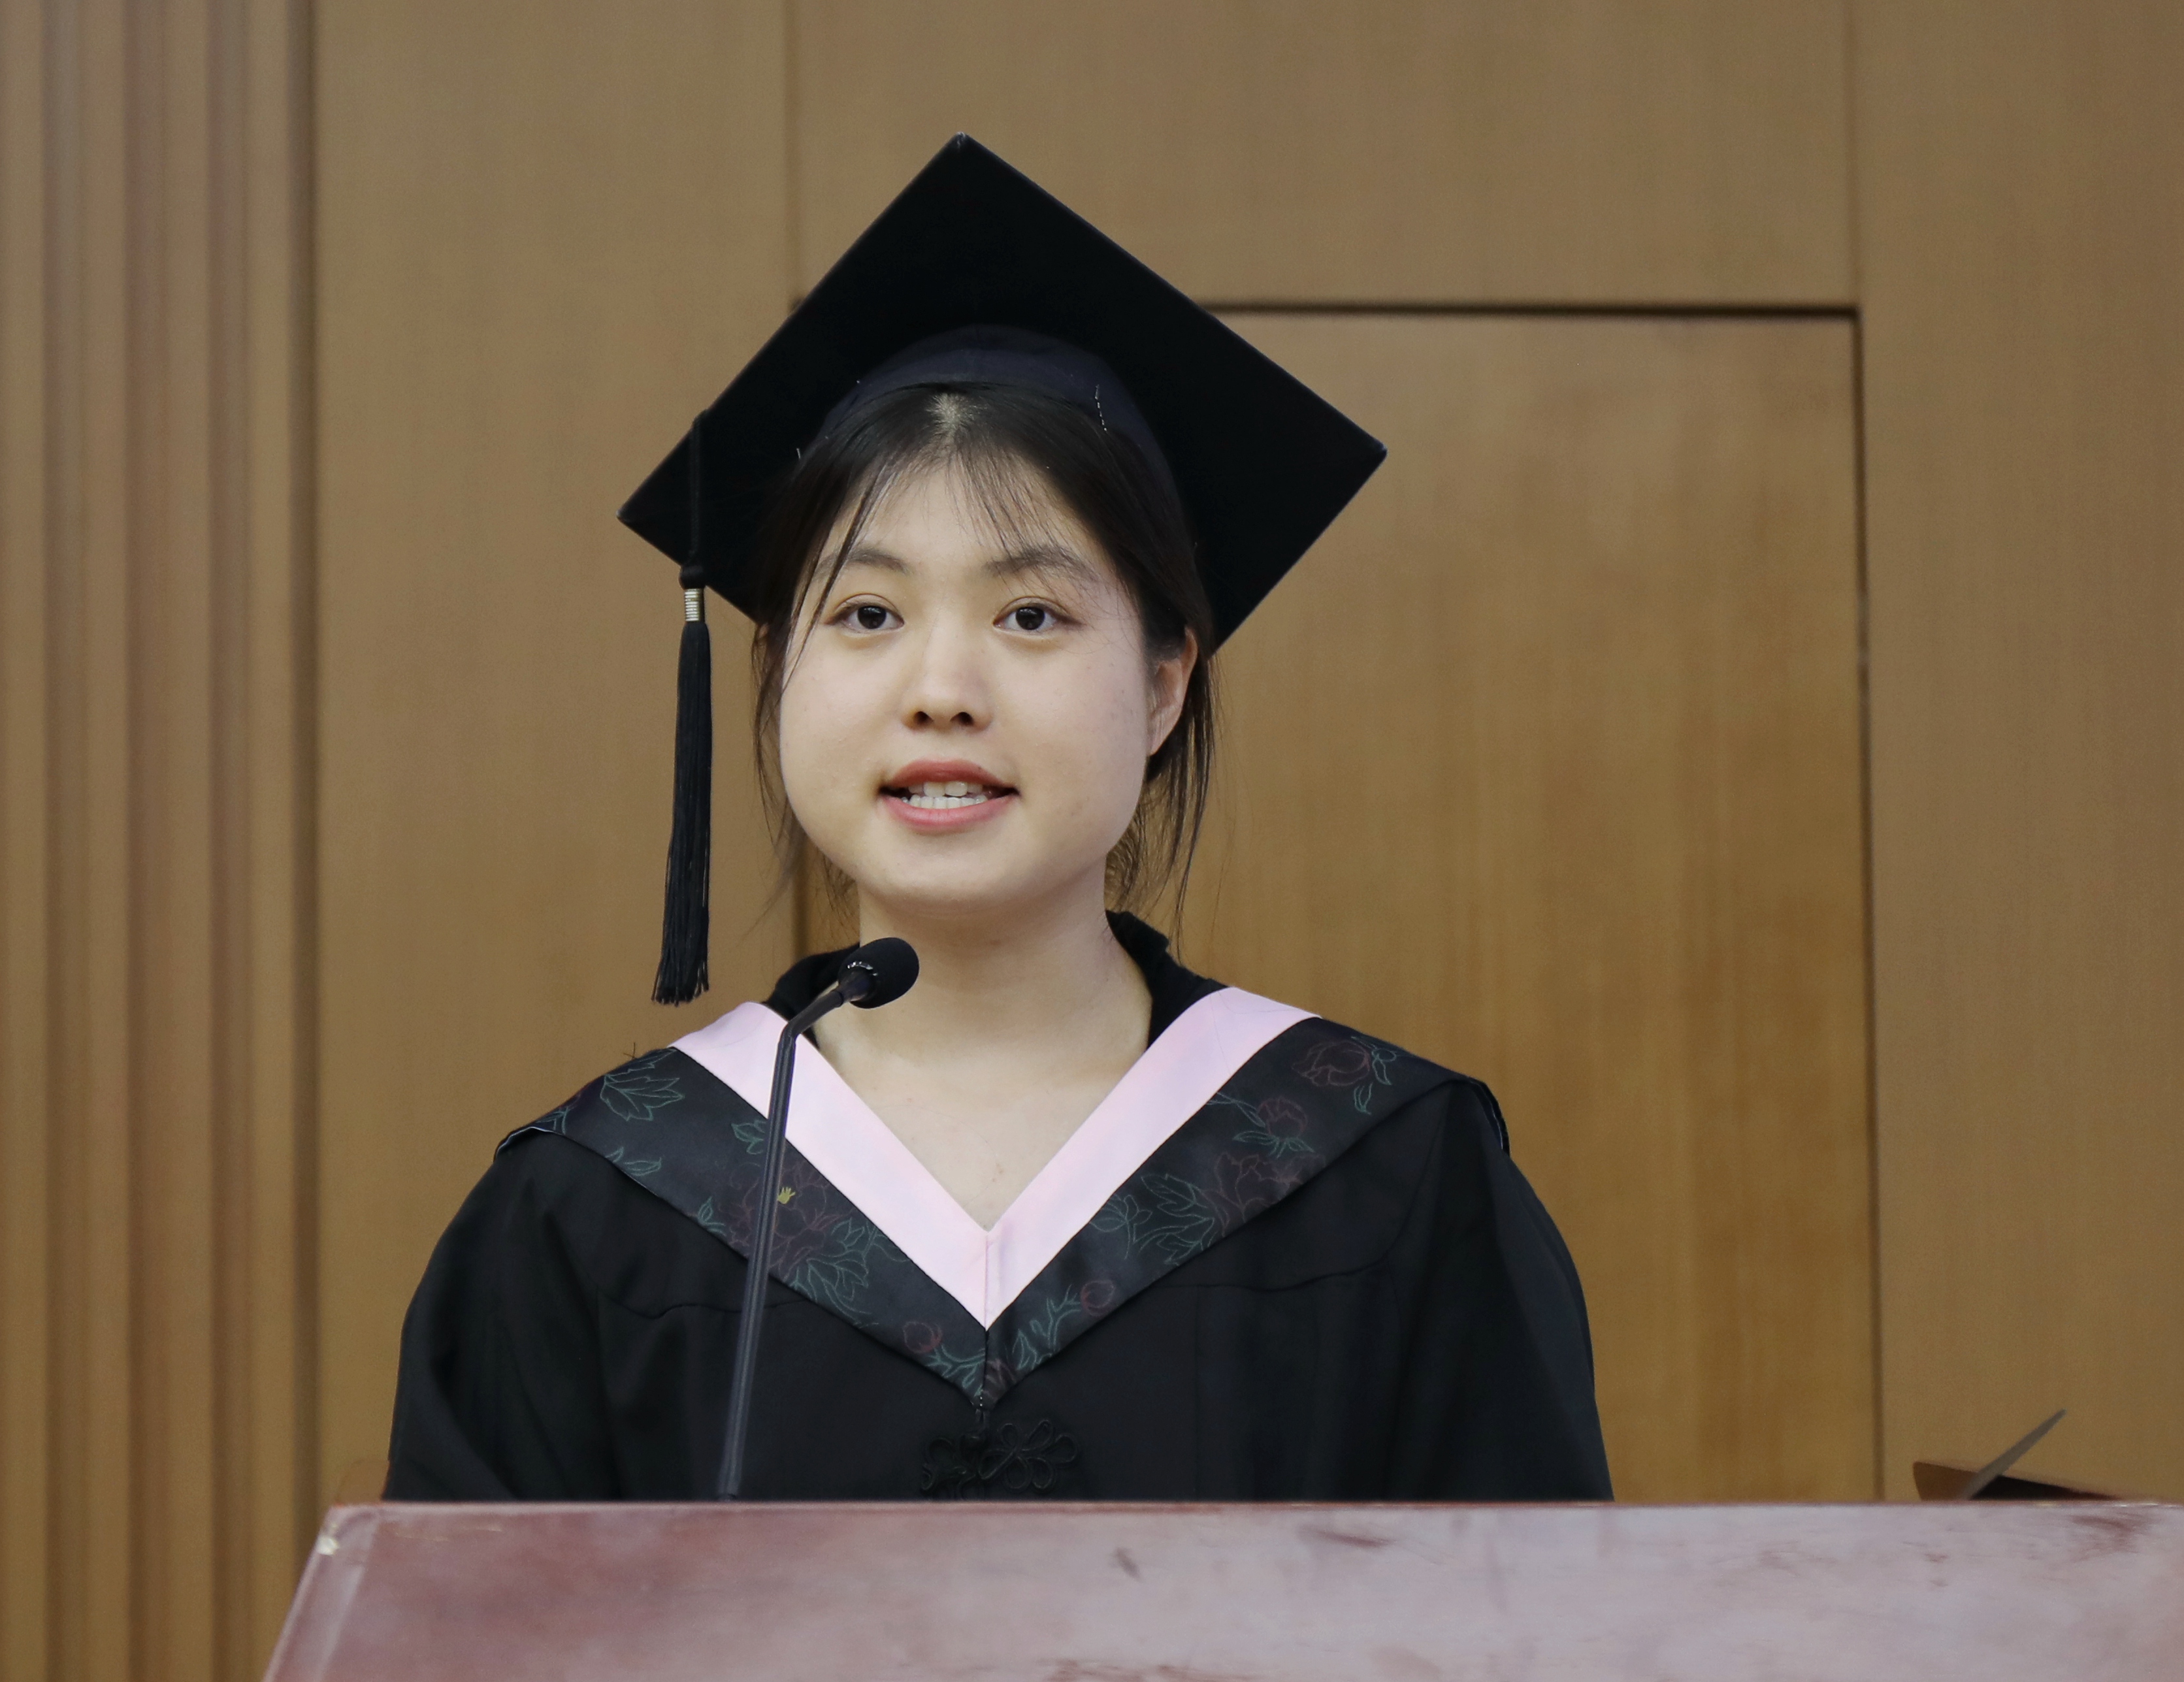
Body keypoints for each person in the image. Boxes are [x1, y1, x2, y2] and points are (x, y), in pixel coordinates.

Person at [387, 138, 1609, 1502]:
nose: (942, 690)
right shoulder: (599, 1204)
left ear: (1165, 683)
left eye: (1030, 615)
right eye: (867, 614)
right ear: (777, 671)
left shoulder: (1384, 1175)